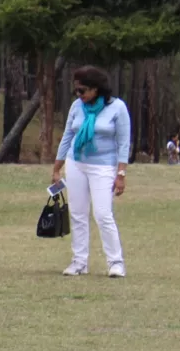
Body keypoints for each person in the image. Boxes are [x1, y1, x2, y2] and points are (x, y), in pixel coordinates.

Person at [52, 65, 131, 278]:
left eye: (83, 90)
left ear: (96, 89)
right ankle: (79, 262)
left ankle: (116, 262)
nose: (79, 95)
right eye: (76, 91)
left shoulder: (117, 108)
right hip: (76, 163)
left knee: (103, 214)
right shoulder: (77, 107)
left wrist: (121, 174)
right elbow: (68, 136)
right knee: (77, 214)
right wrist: (57, 167)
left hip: (104, 166)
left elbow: (123, 143)